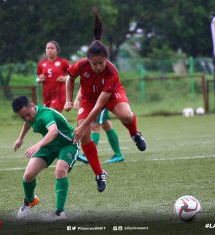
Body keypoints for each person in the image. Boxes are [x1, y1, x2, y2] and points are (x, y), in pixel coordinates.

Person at [64, 10, 146, 192]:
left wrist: (82, 124)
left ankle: (134, 133)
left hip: (108, 95)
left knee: (125, 114)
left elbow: (101, 105)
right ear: (89, 60)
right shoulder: (81, 65)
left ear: (106, 59)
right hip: (88, 98)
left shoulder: (111, 72)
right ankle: (99, 173)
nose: (98, 66)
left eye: (101, 62)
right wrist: (69, 100)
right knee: (84, 137)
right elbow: (69, 79)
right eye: (95, 64)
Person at [12, 96, 78, 220]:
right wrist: (21, 138)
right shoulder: (29, 115)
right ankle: (30, 201)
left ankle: (59, 212)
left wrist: (38, 145)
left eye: (27, 114)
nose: (27, 118)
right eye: (22, 116)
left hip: (68, 144)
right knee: (28, 176)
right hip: (49, 145)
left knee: (60, 171)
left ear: (32, 105)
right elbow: (27, 122)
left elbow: (54, 132)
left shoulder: (45, 114)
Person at [74, 88, 124, 164]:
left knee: (95, 126)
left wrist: (77, 99)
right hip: (94, 101)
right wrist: (77, 99)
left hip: (101, 100)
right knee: (106, 125)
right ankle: (118, 155)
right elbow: (83, 85)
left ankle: (87, 156)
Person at [36, 41, 69, 112]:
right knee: (49, 116)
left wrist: (65, 78)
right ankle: (62, 123)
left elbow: (72, 75)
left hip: (59, 95)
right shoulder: (41, 64)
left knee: (52, 113)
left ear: (57, 50)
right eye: (48, 48)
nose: (49, 50)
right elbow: (37, 79)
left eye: (52, 48)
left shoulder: (63, 62)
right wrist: (39, 79)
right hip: (47, 95)